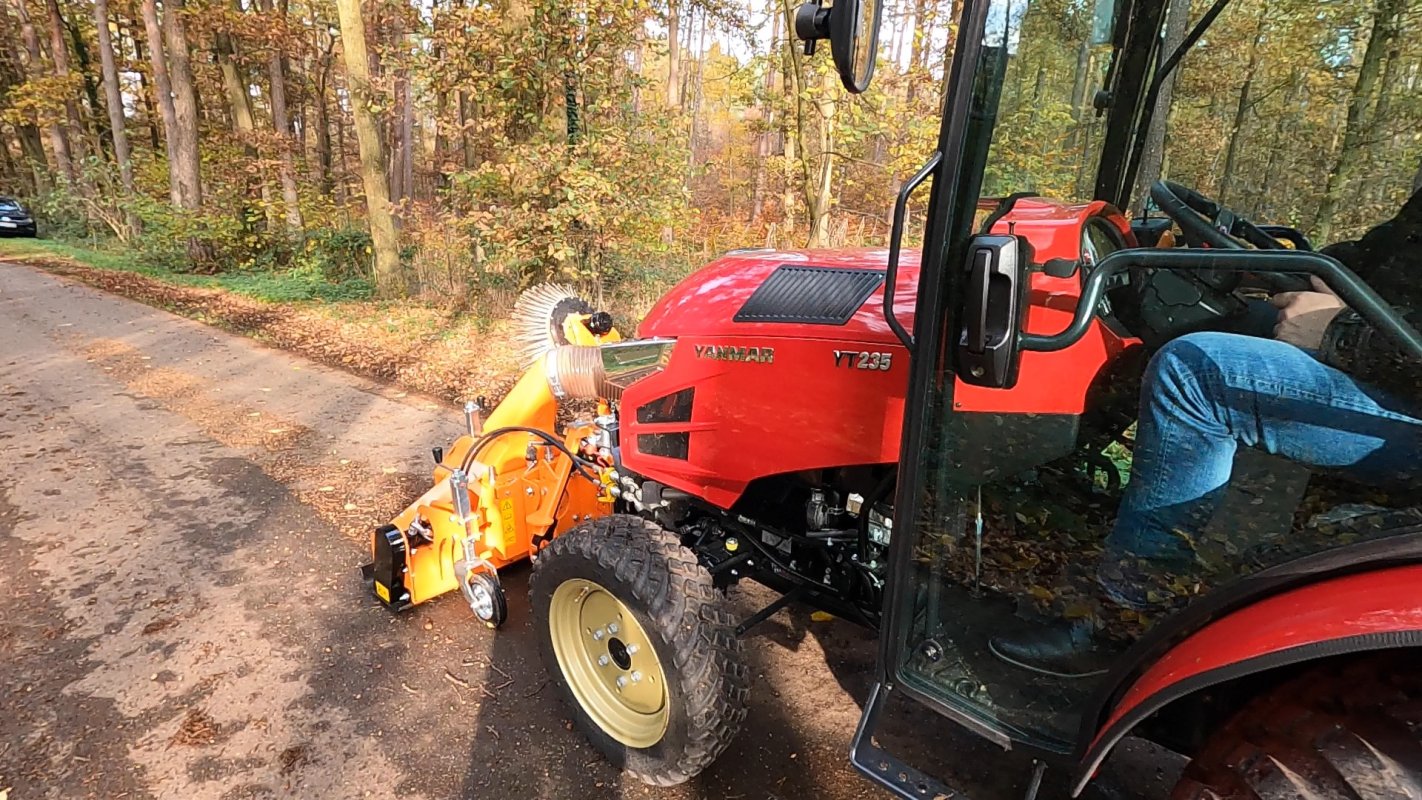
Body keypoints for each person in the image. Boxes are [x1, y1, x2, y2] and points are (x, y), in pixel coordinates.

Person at [990, 190, 1422, 678]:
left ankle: (1123, 619)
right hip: (1397, 361)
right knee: (1243, 318)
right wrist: (1257, 262)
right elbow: (1388, 261)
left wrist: (1337, 332)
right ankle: (1141, 543)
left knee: (1195, 372)